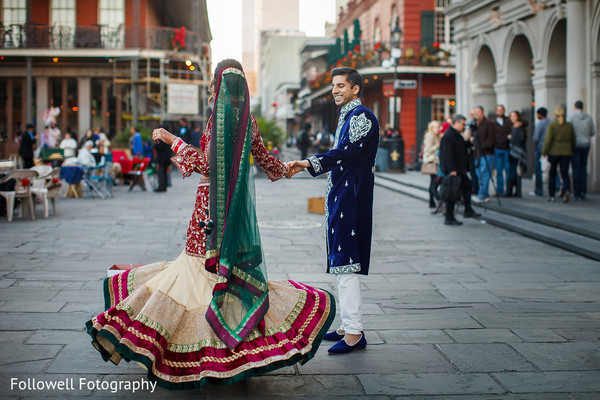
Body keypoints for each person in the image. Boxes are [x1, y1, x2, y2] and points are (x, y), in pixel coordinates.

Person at [86, 59, 335, 389]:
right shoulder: (248, 122)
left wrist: (172, 139)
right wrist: (293, 166)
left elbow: (204, 163)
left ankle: (203, 350)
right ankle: (230, 347)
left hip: (208, 208)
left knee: (194, 270)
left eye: (212, 85)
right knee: (220, 273)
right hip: (233, 211)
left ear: (218, 86)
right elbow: (269, 164)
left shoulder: (215, 120)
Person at [288, 67, 379, 354]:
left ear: (355, 89)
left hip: (351, 198)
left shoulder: (362, 117)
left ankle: (354, 332)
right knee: (340, 261)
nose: (335, 90)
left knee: (346, 263)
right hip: (342, 197)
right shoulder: (347, 116)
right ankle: (346, 325)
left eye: (341, 85)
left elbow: (346, 153)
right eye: (333, 86)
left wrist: (308, 162)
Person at [439, 114, 481, 225]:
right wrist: (452, 169)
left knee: (467, 186)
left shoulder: (456, 134)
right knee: (452, 192)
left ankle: (468, 209)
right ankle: (449, 217)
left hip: (459, 168)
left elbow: (461, 146)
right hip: (454, 169)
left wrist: (469, 142)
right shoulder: (449, 135)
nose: (464, 126)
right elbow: (448, 154)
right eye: (462, 124)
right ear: (456, 123)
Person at [542, 106, 575, 202]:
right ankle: (567, 191)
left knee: (552, 174)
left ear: (555, 114)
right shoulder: (569, 125)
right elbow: (573, 139)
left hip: (554, 152)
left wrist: (544, 152)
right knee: (564, 173)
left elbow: (548, 140)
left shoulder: (552, 125)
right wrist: (571, 149)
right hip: (566, 152)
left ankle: (551, 195)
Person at [567, 100, 595, 201]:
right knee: (583, 168)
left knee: (575, 169)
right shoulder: (589, 118)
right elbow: (592, 132)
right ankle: (583, 191)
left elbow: (568, 132)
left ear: (575, 107)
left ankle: (577, 193)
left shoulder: (571, 118)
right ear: (583, 107)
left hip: (575, 145)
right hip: (586, 144)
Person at [472, 106, 496, 201]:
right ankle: (483, 193)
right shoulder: (474, 124)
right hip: (476, 153)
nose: (476, 114)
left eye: (478, 112)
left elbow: (491, 139)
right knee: (479, 174)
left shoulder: (489, 123)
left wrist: (483, 146)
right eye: (475, 112)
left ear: (482, 112)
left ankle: (482, 194)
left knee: (485, 173)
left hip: (487, 153)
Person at [505, 111, 527, 197]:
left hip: (516, 151)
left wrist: (510, 138)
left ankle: (512, 191)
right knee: (514, 170)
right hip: (512, 151)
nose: (512, 118)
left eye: (514, 116)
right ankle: (514, 191)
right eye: (511, 116)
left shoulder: (519, 126)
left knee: (514, 171)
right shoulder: (513, 126)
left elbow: (520, 139)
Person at [422, 120, 442, 208]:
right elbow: (428, 150)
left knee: (433, 182)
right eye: (435, 127)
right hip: (432, 161)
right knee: (434, 183)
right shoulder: (431, 136)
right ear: (431, 128)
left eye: (438, 127)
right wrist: (437, 146)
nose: (437, 129)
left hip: (433, 161)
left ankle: (431, 202)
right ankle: (437, 199)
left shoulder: (435, 136)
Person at [494, 105, 512, 196]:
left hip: (506, 148)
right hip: (497, 148)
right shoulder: (493, 122)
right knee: (499, 171)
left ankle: (508, 190)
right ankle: (499, 190)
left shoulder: (508, 121)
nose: (500, 111)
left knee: (508, 170)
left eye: (501, 110)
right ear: (496, 111)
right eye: (498, 110)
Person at [532, 107, 549, 196]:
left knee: (538, 169)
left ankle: (538, 190)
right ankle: (557, 186)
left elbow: (536, 137)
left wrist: (535, 146)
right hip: (550, 148)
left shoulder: (540, 124)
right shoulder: (551, 123)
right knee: (552, 168)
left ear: (539, 114)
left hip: (541, 147)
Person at [153, 124, 172, 192]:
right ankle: (164, 186)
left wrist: (155, 144)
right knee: (165, 173)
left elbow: (159, 147)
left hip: (161, 158)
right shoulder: (169, 138)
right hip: (167, 158)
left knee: (161, 173)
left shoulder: (162, 138)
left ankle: (161, 186)